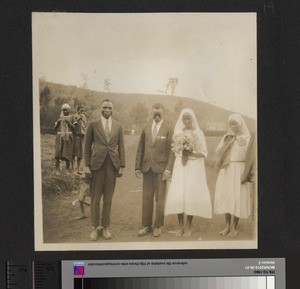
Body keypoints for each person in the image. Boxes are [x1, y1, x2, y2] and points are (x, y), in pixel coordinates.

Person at [165, 109, 212, 237]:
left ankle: (188, 226)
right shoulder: (178, 132)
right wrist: (181, 149)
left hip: (193, 167)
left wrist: (190, 152)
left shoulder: (198, 133)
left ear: (193, 119)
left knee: (190, 194)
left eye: (188, 118)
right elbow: (175, 150)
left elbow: (203, 153)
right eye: (184, 119)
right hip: (180, 166)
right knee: (179, 193)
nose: (186, 121)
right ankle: (180, 227)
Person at [84, 99, 125, 241]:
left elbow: (122, 147)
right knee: (95, 198)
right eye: (104, 107)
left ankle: (106, 227)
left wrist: (122, 166)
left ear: (113, 110)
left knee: (108, 198)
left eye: (109, 108)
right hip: (96, 166)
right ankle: (95, 228)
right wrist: (86, 166)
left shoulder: (118, 126)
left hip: (112, 166)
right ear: (100, 108)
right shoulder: (93, 125)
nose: (107, 110)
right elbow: (87, 147)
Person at [135, 103, 174, 237]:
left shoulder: (168, 129)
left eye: (159, 114)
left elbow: (171, 151)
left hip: (161, 169)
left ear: (163, 114)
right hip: (147, 167)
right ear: (151, 114)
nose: (156, 116)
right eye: (154, 114)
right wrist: (137, 167)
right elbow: (141, 147)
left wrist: (168, 169)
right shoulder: (146, 128)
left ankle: (158, 225)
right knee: (146, 197)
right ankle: (146, 225)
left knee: (160, 198)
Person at [213, 113, 251, 237]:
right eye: (231, 124)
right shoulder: (227, 137)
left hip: (239, 168)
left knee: (237, 197)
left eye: (234, 123)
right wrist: (227, 142)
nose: (233, 126)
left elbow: (250, 156)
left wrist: (242, 143)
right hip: (227, 169)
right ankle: (227, 226)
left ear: (240, 124)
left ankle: (235, 227)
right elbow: (218, 151)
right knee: (227, 196)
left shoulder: (246, 137)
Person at [54, 103, 75, 170]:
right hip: (60, 137)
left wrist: (69, 122)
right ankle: (57, 167)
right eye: (64, 110)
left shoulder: (72, 117)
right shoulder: (60, 117)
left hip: (68, 137)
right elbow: (54, 128)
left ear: (69, 110)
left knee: (67, 151)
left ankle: (67, 168)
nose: (65, 111)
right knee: (58, 151)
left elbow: (74, 127)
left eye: (66, 110)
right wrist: (58, 122)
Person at [73, 105, 89, 174]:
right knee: (74, 152)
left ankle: (79, 169)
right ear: (78, 110)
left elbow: (86, 125)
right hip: (75, 136)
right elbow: (72, 125)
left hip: (82, 136)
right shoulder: (74, 116)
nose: (82, 112)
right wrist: (78, 118)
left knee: (80, 153)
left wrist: (83, 119)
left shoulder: (84, 117)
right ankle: (74, 169)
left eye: (83, 110)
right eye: (81, 110)